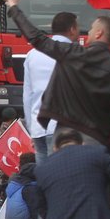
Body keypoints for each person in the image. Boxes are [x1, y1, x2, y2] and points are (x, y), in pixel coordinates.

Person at [4, 0, 110, 152]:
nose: (88, 32)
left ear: (99, 33)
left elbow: (36, 38)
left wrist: (14, 7)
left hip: (64, 133)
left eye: (92, 29)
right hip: (97, 137)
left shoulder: (73, 54)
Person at [23, 11, 78, 162]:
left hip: (38, 126)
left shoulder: (32, 54)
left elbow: (27, 95)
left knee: (44, 178)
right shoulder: (76, 53)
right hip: (64, 128)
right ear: (72, 29)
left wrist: (31, 127)